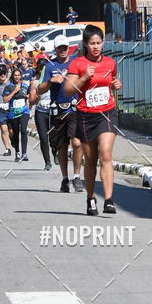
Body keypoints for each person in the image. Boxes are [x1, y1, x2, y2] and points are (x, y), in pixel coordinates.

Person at [64, 24, 122, 215]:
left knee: (105, 153)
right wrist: (84, 78)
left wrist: (117, 84)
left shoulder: (110, 63)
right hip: (85, 115)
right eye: (92, 43)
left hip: (106, 113)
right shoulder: (77, 64)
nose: (96, 47)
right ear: (86, 44)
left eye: (99, 43)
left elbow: (111, 84)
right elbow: (68, 90)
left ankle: (109, 200)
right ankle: (90, 198)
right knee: (91, 160)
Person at [37, 36, 82, 192]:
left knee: (77, 143)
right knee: (62, 146)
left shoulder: (76, 62)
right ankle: (65, 179)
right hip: (58, 110)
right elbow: (39, 89)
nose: (63, 50)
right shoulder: (49, 66)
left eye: (65, 47)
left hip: (74, 108)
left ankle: (77, 177)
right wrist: (50, 82)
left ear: (69, 48)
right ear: (55, 49)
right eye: (60, 47)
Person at [3, 67, 31, 162]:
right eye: (15, 75)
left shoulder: (25, 85)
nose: (17, 77)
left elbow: (30, 96)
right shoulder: (9, 86)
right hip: (13, 113)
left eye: (18, 75)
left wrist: (28, 96)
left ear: (21, 76)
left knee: (23, 131)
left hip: (24, 111)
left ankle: (24, 153)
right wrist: (14, 91)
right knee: (15, 133)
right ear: (12, 76)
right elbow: (5, 100)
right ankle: (17, 153)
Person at [29, 58, 52, 170]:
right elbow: (32, 100)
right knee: (43, 138)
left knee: (55, 137)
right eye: (40, 67)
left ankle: (56, 151)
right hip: (41, 112)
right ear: (37, 69)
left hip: (53, 111)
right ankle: (47, 161)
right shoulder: (35, 82)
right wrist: (38, 94)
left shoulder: (53, 79)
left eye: (44, 67)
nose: (42, 69)